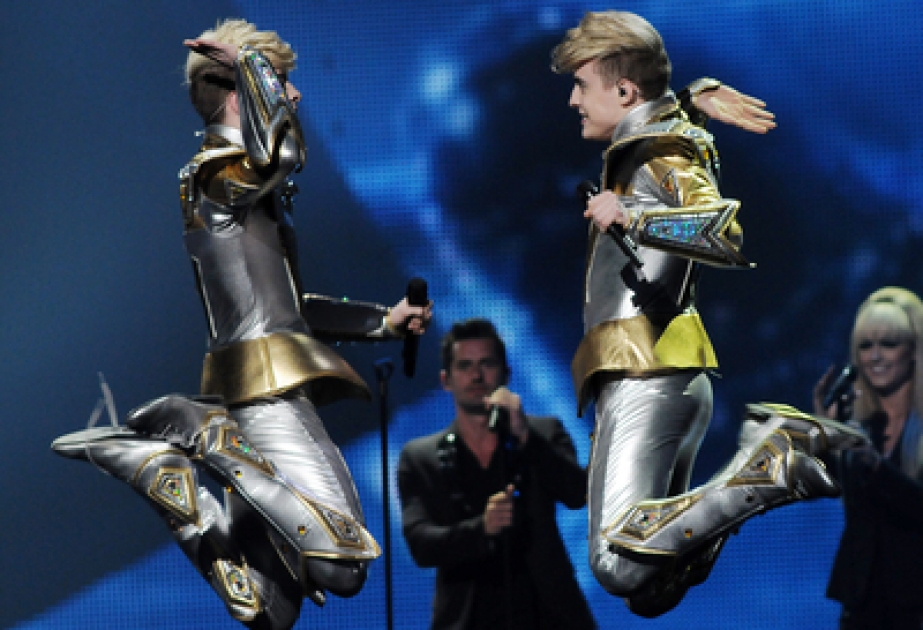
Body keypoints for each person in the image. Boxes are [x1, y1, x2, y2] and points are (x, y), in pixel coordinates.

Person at [51, 19, 431, 630]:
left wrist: (385, 321)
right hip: (267, 396)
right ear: (237, 91)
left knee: (268, 611)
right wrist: (253, 63)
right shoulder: (214, 174)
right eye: (283, 81)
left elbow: (291, 308)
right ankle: (201, 432)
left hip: (261, 379)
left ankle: (162, 475)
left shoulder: (233, 186)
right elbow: (282, 152)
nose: (296, 95)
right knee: (344, 565)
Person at [549, 10, 867, 617]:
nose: (571, 100)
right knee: (648, 586)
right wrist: (689, 99)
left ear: (622, 91)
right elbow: (664, 124)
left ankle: (769, 465)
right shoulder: (651, 143)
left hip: (649, 374)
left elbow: (726, 234)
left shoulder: (656, 156)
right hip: (654, 374)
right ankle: (762, 455)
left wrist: (632, 216)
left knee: (614, 563)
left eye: (581, 85)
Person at [398, 319, 597, 630]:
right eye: (465, 366)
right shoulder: (420, 457)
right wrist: (481, 528)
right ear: (445, 379)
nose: (477, 376)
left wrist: (524, 435)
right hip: (467, 618)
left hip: (549, 615)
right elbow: (421, 544)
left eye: (487, 364)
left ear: (507, 372)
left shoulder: (544, 431)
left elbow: (578, 494)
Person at [813, 287, 923, 629]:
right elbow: (839, 495)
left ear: (915, 350)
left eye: (889, 344)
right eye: (865, 345)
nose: (875, 356)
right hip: (863, 600)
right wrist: (825, 442)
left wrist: (877, 467)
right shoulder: (860, 425)